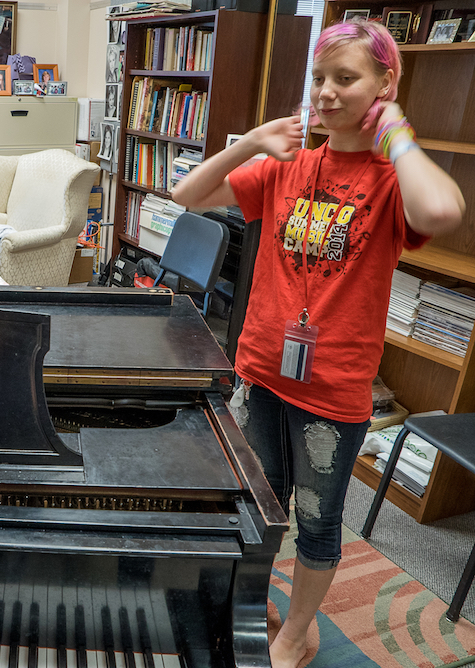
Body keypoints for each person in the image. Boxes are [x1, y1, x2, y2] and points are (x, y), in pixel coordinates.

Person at [171, 20, 463, 668]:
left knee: (313, 519)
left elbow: (441, 210)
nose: (327, 93)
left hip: (330, 394)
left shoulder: (390, 180)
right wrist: (250, 140)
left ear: (386, 84)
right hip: (261, 373)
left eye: (346, 78)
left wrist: (396, 133)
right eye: (319, 79)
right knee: (260, 502)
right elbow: (186, 194)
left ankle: (298, 629)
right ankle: (256, 602)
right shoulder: (288, 166)